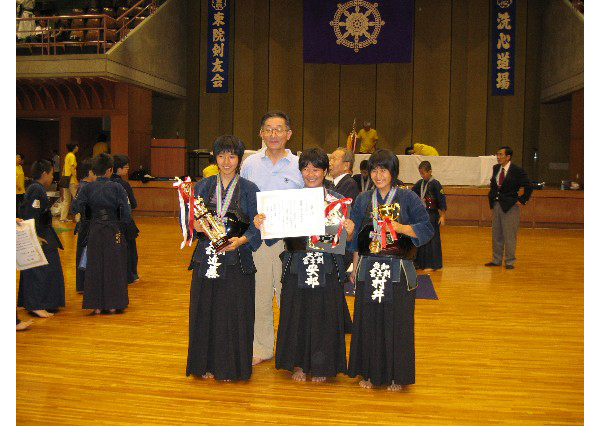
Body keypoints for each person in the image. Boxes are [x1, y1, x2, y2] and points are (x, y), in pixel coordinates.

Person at [255, 147, 353, 382]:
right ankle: (298, 364)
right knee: (297, 313)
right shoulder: (289, 199)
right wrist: (262, 222)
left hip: (326, 264)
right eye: (306, 168)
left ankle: (322, 367)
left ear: (325, 171)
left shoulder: (337, 201)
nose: (310, 173)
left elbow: (346, 240)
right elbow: (273, 233)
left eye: (316, 169)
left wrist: (349, 232)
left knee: (324, 315)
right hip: (297, 263)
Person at [346, 149, 433, 391]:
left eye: (383, 169)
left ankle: (396, 375)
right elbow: (354, 240)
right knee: (369, 320)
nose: (378, 174)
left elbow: (426, 230)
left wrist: (401, 227)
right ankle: (371, 372)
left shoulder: (408, 198)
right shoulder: (363, 199)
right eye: (374, 169)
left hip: (399, 268)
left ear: (393, 172)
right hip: (368, 266)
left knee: (397, 322)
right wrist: (354, 264)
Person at [186, 135, 261, 382]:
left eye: (232, 156)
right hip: (206, 257)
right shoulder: (203, 186)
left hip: (237, 258)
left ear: (239, 159)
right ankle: (204, 365)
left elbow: (258, 226)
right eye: (221, 156)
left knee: (234, 313)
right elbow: (185, 221)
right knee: (204, 310)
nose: (226, 161)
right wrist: (193, 226)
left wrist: (241, 240)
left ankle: (230, 367)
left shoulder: (250, 189)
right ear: (214, 158)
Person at [240, 111, 303, 366]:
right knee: (260, 295)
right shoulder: (250, 164)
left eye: (279, 129)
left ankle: (292, 348)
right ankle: (262, 347)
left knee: (290, 295)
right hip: (260, 241)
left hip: (291, 243)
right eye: (268, 129)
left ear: (288, 134)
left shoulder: (299, 165)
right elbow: (243, 200)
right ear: (261, 133)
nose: (273, 134)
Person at [72, 153, 131, 314]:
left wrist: (88, 211)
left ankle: (96, 304)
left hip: (95, 229)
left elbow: (74, 208)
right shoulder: (117, 187)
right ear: (110, 170)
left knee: (95, 265)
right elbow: (126, 213)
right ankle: (113, 303)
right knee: (114, 265)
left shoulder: (87, 188)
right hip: (113, 228)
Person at [18, 159, 66, 318]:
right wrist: (35, 236)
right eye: (51, 173)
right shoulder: (36, 190)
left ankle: (40, 302)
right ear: (44, 173)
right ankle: (37, 304)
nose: (53, 176)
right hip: (38, 233)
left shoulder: (35, 188)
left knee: (45, 268)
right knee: (40, 270)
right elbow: (30, 214)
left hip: (42, 232)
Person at [485, 146, 533, 269]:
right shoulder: (496, 168)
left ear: (508, 157)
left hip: (510, 207)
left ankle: (510, 261)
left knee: (509, 235)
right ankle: (496, 260)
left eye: (501, 154)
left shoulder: (517, 170)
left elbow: (529, 186)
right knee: (497, 234)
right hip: (497, 205)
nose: (498, 157)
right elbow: (494, 184)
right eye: (497, 154)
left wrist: (522, 200)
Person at [328, 147, 359, 333]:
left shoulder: (349, 184)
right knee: (335, 285)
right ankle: (345, 323)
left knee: (334, 281)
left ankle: (342, 324)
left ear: (346, 164)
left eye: (334, 159)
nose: (330, 162)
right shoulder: (334, 184)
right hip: (336, 240)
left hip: (344, 242)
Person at [411, 161, 447, 271]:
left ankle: (432, 264)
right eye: (420, 173)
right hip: (422, 214)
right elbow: (412, 194)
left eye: (424, 173)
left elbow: (442, 200)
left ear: (430, 172)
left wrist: (443, 216)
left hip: (432, 214)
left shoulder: (436, 184)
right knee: (421, 237)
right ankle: (421, 263)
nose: (422, 176)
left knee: (432, 239)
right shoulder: (419, 183)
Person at [111, 154, 140, 283]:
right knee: (129, 250)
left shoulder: (104, 184)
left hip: (109, 223)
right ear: (119, 169)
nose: (128, 169)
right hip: (124, 221)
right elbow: (133, 204)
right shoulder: (123, 184)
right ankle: (130, 275)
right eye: (126, 167)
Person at [70, 158, 96, 294]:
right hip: (87, 225)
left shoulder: (84, 186)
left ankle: (83, 285)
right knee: (85, 255)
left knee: (84, 255)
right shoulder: (86, 187)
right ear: (90, 172)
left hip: (86, 225)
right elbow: (74, 208)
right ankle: (84, 285)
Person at [60, 143, 79, 222]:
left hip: (66, 179)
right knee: (76, 198)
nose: (78, 147)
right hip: (71, 180)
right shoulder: (72, 156)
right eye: (77, 146)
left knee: (66, 199)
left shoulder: (67, 155)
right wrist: (75, 179)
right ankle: (78, 218)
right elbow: (72, 168)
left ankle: (63, 217)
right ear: (74, 148)